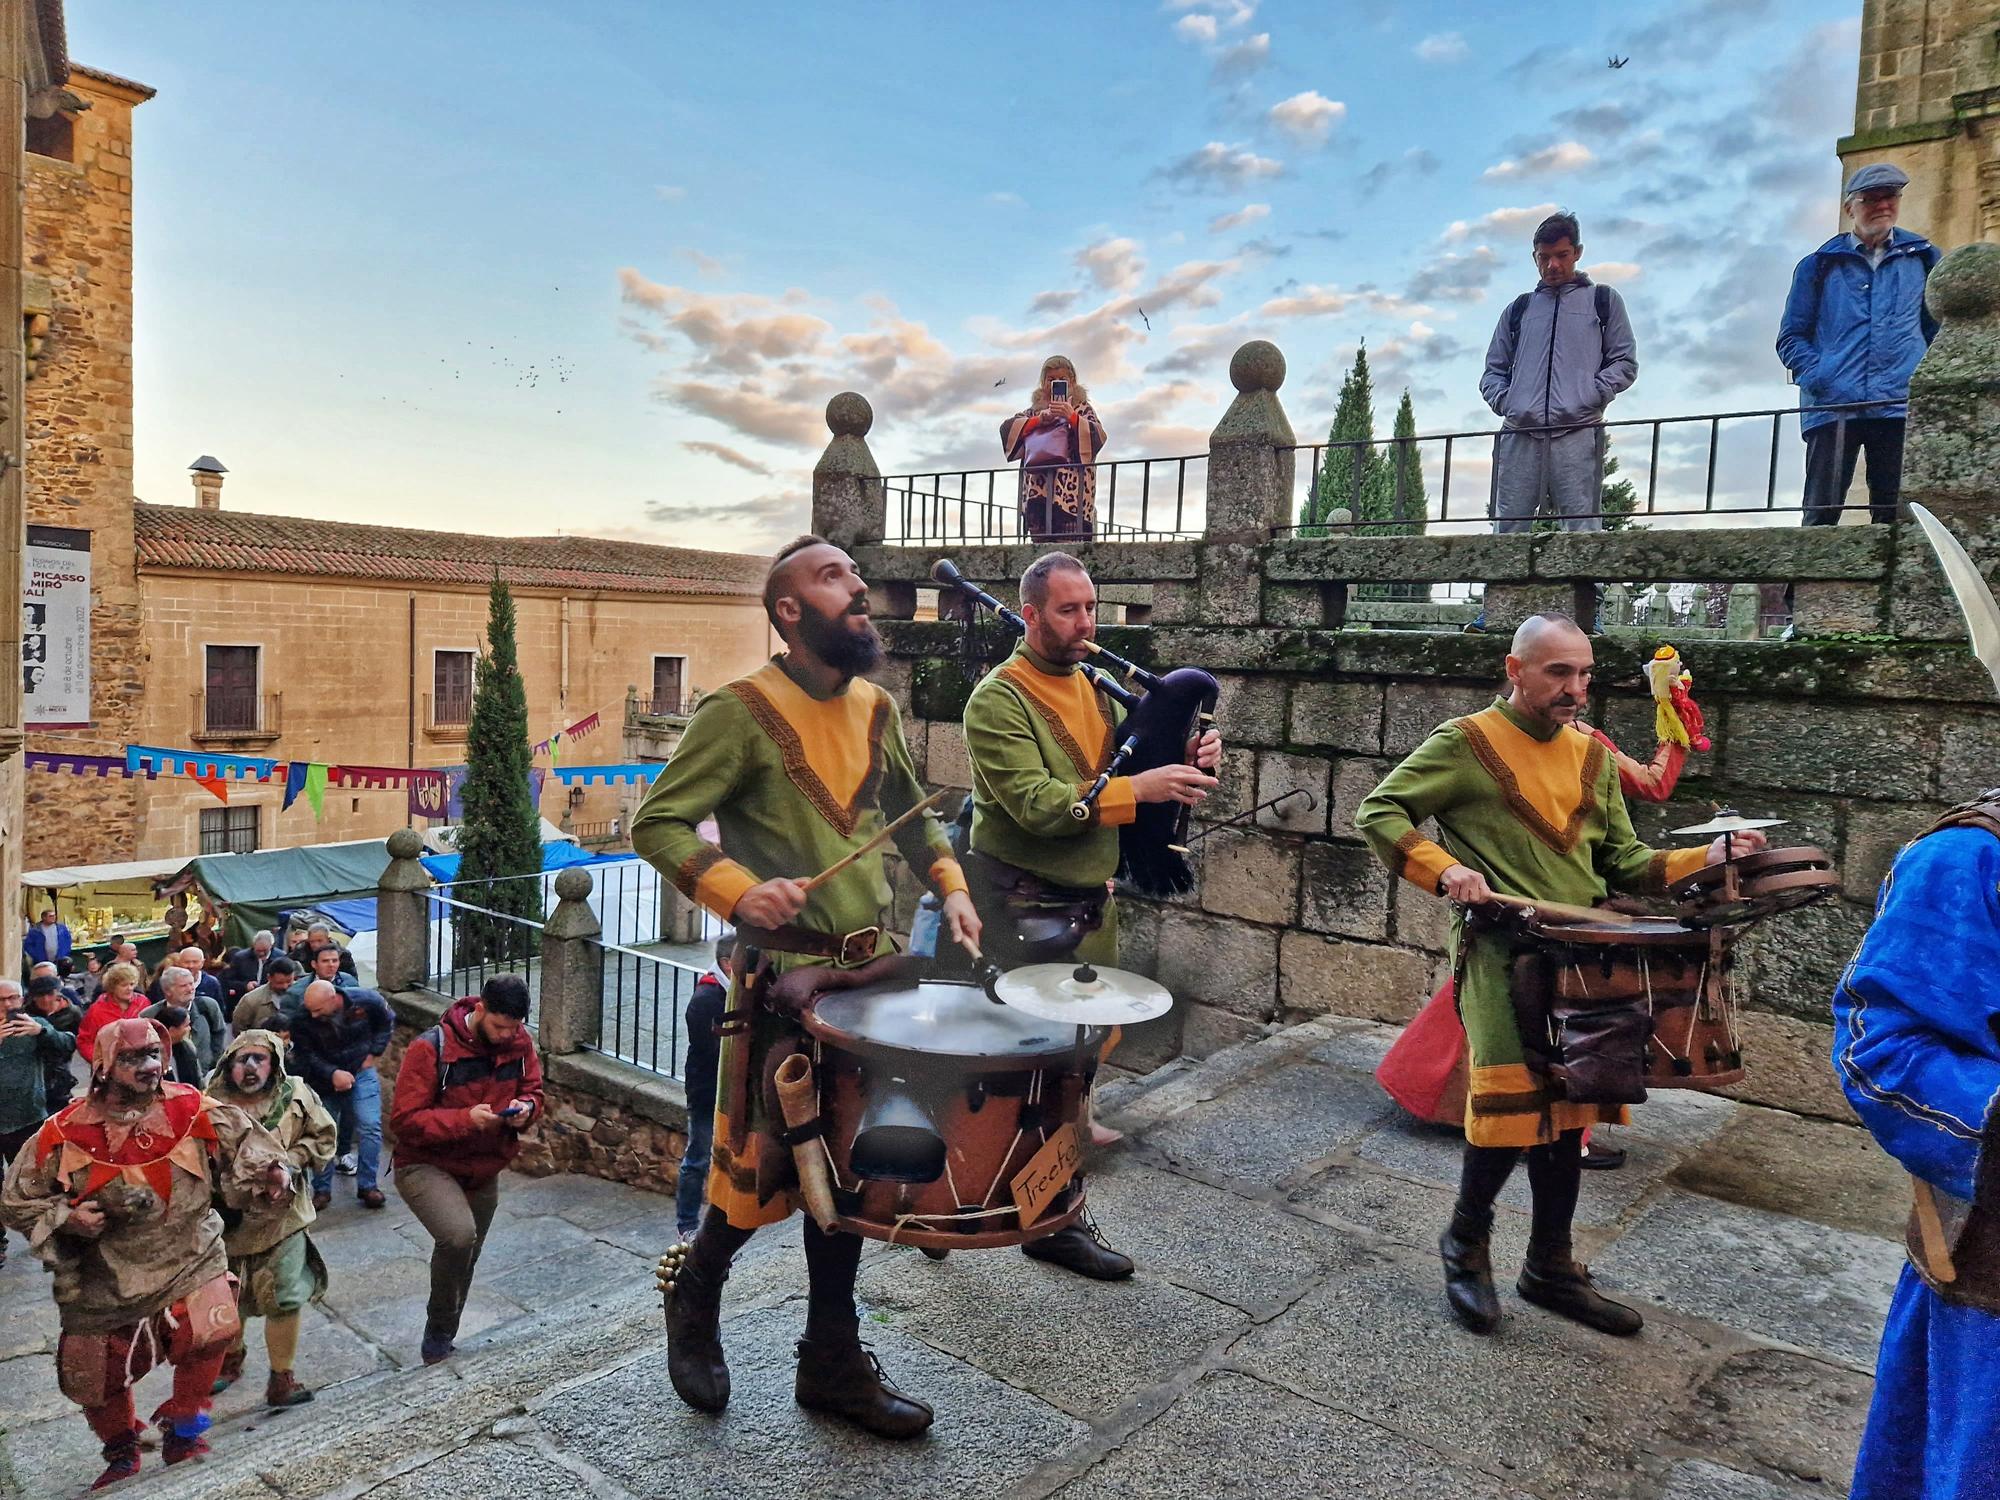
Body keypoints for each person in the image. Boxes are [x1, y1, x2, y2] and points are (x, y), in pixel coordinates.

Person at [631, 534, 981, 1438]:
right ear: (789, 610)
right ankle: (696, 1283)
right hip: (781, 985)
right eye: (834, 578)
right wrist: (741, 890)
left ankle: (830, 1361)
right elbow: (657, 825)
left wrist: (955, 891)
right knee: (762, 1176)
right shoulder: (737, 711)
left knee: (857, 1179)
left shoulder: (876, 707)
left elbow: (914, 821)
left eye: (855, 577)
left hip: (875, 978)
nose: (858, 588)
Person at [1355, 613, 1761, 1338]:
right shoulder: (1465, 743)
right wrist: (1446, 869)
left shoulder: (1593, 757)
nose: (1574, 690)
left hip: (1585, 958)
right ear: (1516, 671)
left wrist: (1712, 856)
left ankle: (1550, 1266)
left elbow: (1626, 865)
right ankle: (1465, 1244)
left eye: (1583, 674)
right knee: (1508, 1106)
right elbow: (1379, 811)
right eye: (1557, 673)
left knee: (1573, 1108)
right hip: (1501, 955)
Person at [958, 551, 1221, 1278]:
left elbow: (1133, 762)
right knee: (1016, 1071)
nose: (1085, 624)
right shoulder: (998, 700)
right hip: (1024, 907)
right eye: (1069, 611)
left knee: (1076, 1063)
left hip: (1089, 900)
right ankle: (958, 1204)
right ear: (1032, 614)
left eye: (1092, 608)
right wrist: (1141, 786)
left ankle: (1053, 1216)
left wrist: (1192, 753)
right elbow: (1045, 805)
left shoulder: (1096, 689)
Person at [0, 1017, 294, 1487]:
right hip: (105, 1277)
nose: (149, 1066)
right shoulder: (62, 1132)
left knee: (215, 1326)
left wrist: (274, 1171)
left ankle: (186, 1429)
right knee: (90, 1377)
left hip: (189, 1254)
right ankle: (121, 1450)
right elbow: (15, 1202)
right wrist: (66, 1219)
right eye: (133, 1057)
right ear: (103, 1064)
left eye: (154, 1054)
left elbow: (249, 1146)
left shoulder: (193, 1107)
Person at [389, 975, 545, 1364]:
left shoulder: (519, 1042)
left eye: (514, 1027)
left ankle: (445, 1335)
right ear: (479, 1011)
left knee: (468, 1253)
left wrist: (525, 1110)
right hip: (425, 1163)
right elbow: (405, 1120)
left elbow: (533, 1090)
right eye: (499, 1026)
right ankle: (437, 1333)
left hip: (483, 1163)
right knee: (458, 1236)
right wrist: (464, 1120)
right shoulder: (430, 1048)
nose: (507, 1035)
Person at [1776, 163, 1939, 527]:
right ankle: (1805, 585)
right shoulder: (1817, 265)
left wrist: (1918, 378)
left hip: (1897, 404)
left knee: (1894, 514)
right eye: (1871, 198)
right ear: (1850, 207)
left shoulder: (1925, 259)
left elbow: (1935, 330)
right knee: (1821, 512)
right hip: (1833, 406)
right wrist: (1821, 375)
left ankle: (1887, 587)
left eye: (1891, 197)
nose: (1883, 205)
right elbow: (1790, 337)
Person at [1479, 212, 1637, 534]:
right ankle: (1502, 588)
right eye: (1544, 257)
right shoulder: (1518, 309)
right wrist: (1510, 403)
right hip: (1519, 433)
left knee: (1583, 531)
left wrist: (1589, 397)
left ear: (1577, 252)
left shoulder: (1602, 301)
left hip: (1578, 432)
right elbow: (1492, 371)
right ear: (1534, 257)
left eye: (1562, 255)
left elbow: (1625, 361)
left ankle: (1586, 587)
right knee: (1508, 530)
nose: (1553, 265)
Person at [206, 1028, 334, 1408]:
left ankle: (282, 1378)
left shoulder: (296, 1095)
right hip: (227, 1221)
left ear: (274, 1064)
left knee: (285, 1297)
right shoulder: (208, 1102)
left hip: (283, 1217)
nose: (249, 1067)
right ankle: (230, 1360)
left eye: (259, 1059)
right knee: (228, 1299)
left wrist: (288, 1164)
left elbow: (323, 1138)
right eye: (241, 1059)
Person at [283, 978, 392, 1211]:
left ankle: (368, 1185)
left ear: (334, 999)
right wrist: (331, 1073)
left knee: (370, 1125)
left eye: (319, 1010)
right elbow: (305, 1054)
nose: (313, 1015)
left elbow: (386, 1022)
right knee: (324, 1131)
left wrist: (375, 1053)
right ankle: (322, 1189)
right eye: (310, 1010)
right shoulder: (302, 1018)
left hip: (361, 1070)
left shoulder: (367, 1001)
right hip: (324, 1078)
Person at [0, 978, 77, 1269]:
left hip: (28, 1117)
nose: (9, 1005)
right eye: (2, 1000)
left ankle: (44, 1236)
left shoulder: (34, 1025)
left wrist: (42, 1031)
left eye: (14, 998)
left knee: (36, 1183)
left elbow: (68, 1044)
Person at [1002, 355, 1107, 543]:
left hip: (1072, 499)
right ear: (1043, 383)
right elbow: (1008, 430)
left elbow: (1097, 436)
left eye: (1062, 380)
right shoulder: (1033, 411)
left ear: (1072, 382)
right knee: (1041, 559)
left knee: (1069, 555)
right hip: (1038, 494)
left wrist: (1072, 417)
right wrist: (1039, 420)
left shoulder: (1082, 408)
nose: (1055, 384)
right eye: (1051, 380)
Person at [676, 939, 730, 1241]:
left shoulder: (731, 989)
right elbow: (710, 1049)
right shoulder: (706, 998)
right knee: (698, 1157)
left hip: (725, 1087)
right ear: (726, 963)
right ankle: (686, 1224)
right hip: (707, 1089)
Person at [143, 964, 226, 1078]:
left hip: (208, 1076)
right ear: (167, 991)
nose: (190, 989)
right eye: (183, 986)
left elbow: (219, 1032)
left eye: (191, 984)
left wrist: (214, 1063)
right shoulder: (149, 1015)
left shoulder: (208, 1006)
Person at [26, 974, 82, 1113]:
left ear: (57, 993)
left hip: (59, 1075)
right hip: (34, 1075)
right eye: (40, 995)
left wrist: (43, 1031)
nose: (45, 999)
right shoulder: (27, 1014)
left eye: (50, 994)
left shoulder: (71, 1012)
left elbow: (72, 1043)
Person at [77, 962, 148, 1065]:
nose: (130, 989)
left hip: (142, 1064)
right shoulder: (97, 1010)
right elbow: (85, 1041)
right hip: (110, 1068)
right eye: (124, 985)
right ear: (112, 987)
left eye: (132, 984)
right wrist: (101, 1062)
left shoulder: (143, 1002)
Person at [234, 956, 300, 1033]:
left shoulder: (303, 994)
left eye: (289, 982)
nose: (285, 986)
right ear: (269, 978)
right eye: (280, 983)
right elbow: (238, 1029)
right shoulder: (251, 1000)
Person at [221, 931, 278, 1005]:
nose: (261, 953)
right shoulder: (240, 958)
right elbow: (227, 981)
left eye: (265, 951)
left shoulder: (279, 958)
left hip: (270, 1001)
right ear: (253, 945)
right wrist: (245, 985)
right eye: (258, 950)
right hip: (244, 1000)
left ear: (271, 946)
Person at [150, 1005, 203, 1086]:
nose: (189, 1029)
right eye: (186, 1026)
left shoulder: (188, 1047)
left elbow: (199, 1081)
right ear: (172, 1031)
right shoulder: (150, 1053)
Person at [287, 923, 356, 980]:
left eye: (319, 941)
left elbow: (352, 978)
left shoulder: (342, 954)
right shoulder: (300, 951)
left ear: (328, 939)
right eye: (312, 941)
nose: (316, 945)